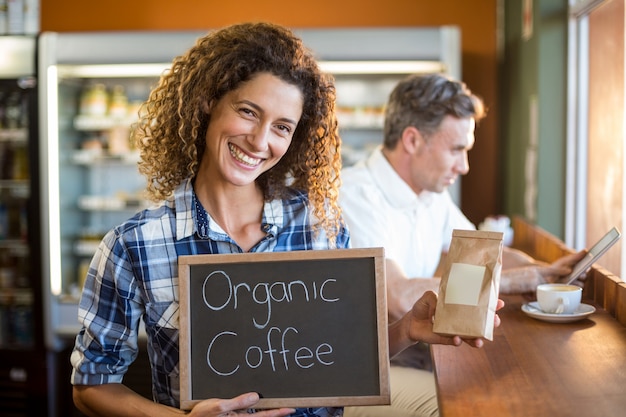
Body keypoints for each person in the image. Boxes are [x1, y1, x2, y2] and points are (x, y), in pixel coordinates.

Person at [69, 23, 502, 417]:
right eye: (248, 112)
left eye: (282, 126)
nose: (259, 141)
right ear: (207, 103)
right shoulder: (132, 245)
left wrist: (406, 330)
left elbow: (343, 358)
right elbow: (91, 386)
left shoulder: (320, 225)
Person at [339, 73, 586, 417]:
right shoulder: (355, 195)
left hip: (414, 352)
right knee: (466, 408)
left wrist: (550, 272)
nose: (464, 166)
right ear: (412, 140)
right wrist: (523, 280)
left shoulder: (429, 194)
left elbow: (485, 252)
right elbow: (395, 297)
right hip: (362, 371)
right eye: (457, 150)